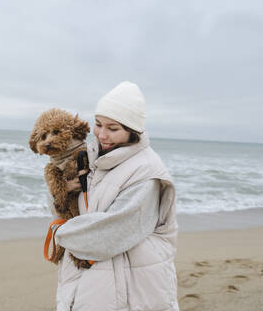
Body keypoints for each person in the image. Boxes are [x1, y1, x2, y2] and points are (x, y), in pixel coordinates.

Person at [53, 81, 179, 311]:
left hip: (132, 282)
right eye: (98, 124)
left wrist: (60, 233)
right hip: (93, 277)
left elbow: (114, 229)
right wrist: (64, 192)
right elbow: (71, 208)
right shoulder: (91, 158)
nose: (102, 134)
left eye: (113, 128)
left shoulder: (146, 171)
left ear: (132, 130)